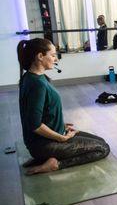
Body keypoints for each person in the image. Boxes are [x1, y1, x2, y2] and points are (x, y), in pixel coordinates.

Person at [17, 38, 110, 175]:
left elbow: (39, 112)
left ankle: (42, 158)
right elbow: (35, 125)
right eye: (53, 55)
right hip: (45, 145)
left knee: (100, 141)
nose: (56, 59)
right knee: (103, 148)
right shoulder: (38, 85)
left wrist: (60, 124)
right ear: (40, 56)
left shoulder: (30, 77)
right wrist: (61, 138)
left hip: (45, 139)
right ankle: (55, 164)